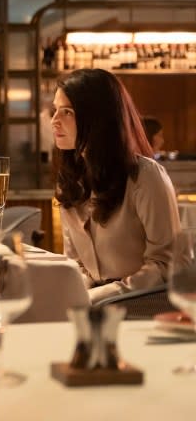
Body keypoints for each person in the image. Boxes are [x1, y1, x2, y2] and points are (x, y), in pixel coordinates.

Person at [51, 69, 180, 304]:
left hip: (142, 307)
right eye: (55, 110)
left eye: (67, 111)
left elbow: (164, 265)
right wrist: (74, 294)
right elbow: (77, 263)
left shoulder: (146, 176)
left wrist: (97, 296)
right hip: (93, 308)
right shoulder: (69, 178)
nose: (54, 121)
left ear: (97, 118)